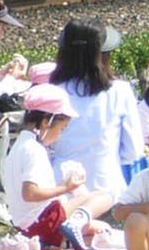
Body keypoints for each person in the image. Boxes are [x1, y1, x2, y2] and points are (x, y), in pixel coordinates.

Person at [1, 84, 115, 250]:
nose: (60, 135)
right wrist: (65, 187)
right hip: (42, 221)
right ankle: (72, 226)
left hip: (27, 226)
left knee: (102, 229)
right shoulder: (34, 150)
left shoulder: (20, 145)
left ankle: (66, 236)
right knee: (104, 197)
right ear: (47, 121)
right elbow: (30, 194)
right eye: (62, 128)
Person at [46, 20, 142, 196]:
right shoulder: (120, 91)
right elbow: (133, 150)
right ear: (103, 54)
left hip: (61, 189)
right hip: (107, 188)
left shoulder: (50, 92)